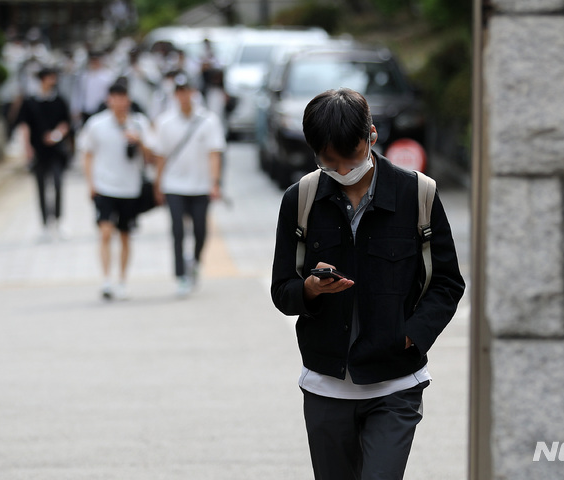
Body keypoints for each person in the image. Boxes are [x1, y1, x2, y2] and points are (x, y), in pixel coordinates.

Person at [271, 88, 465, 480]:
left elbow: (447, 282)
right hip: (326, 386)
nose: (342, 170)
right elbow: (282, 290)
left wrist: (411, 335)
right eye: (330, 162)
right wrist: (310, 289)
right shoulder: (301, 199)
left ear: (372, 136)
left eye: (351, 158)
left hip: (395, 384)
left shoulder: (418, 195)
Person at [80, 82, 156, 300]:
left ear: (128, 100)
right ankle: (106, 280)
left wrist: (140, 142)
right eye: (116, 98)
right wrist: (91, 183)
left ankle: (122, 280)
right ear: (109, 100)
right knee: (105, 232)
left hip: (130, 188)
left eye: (123, 98)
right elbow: (87, 154)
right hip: (104, 186)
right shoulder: (96, 124)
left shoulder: (139, 123)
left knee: (125, 235)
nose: (120, 102)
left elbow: (152, 156)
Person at [154, 75, 226, 297]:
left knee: (200, 230)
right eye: (179, 91)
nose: (184, 95)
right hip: (174, 184)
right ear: (175, 94)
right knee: (177, 230)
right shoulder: (165, 122)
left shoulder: (208, 121)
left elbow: (215, 154)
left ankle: (194, 262)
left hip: (200, 185)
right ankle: (180, 276)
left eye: (187, 90)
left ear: (193, 92)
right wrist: (158, 183)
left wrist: (214, 183)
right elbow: (161, 155)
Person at [18, 67, 72, 242]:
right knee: (40, 187)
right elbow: (24, 125)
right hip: (38, 151)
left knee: (57, 184)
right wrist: (26, 147)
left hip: (56, 151)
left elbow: (66, 123)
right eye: (49, 78)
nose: (53, 81)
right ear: (42, 79)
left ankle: (57, 220)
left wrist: (56, 136)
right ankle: (44, 225)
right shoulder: (30, 102)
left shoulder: (59, 100)